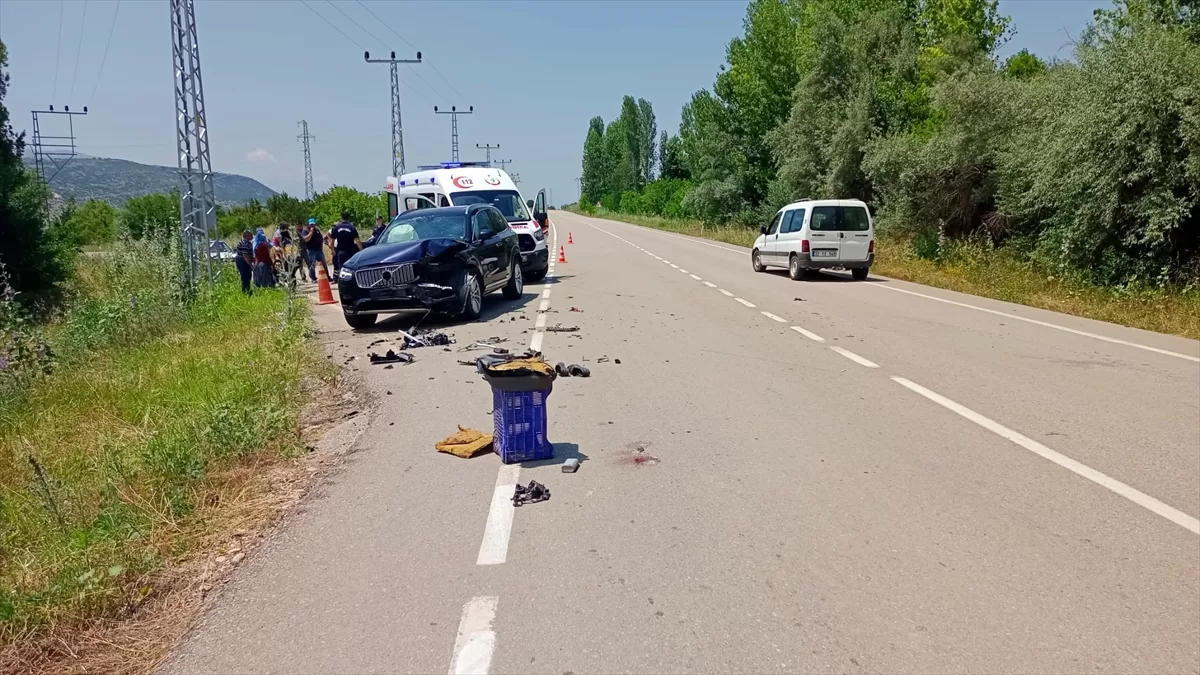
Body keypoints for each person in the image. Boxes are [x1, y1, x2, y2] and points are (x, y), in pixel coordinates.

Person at [330, 210, 362, 275]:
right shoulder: (351, 227)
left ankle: (342, 282)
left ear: (341, 217)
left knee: (341, 269)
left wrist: (333, 250)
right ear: (348, 217)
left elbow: (332, 240)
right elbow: (357, 240)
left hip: (341, 252)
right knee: (351, 269)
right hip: (351, 252)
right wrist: (361, 250)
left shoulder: (337, 227)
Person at [301, 217, 328, 282]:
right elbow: (305, 239)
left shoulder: (317, 230)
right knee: (312, 264)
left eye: (313, 224)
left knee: (324, 263)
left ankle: (327, 276)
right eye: (311, 224)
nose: (312, 225)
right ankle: (313, 278)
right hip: (311, 250)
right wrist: (311, 232)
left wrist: (321, 248)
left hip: (318, 250)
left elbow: (321, 239)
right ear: (308, 224)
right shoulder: (305, 230)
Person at [235, 230, 254, 294]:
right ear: (246, 236)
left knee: (248, 275)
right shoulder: (244, 243)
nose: (252, 236)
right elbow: (245, 255)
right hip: (242, 261)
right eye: (250, 235)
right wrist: (250, 265)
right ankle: (245, 291)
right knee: (245, 276)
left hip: (245, 260)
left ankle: (247, 290)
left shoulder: (248, 242)